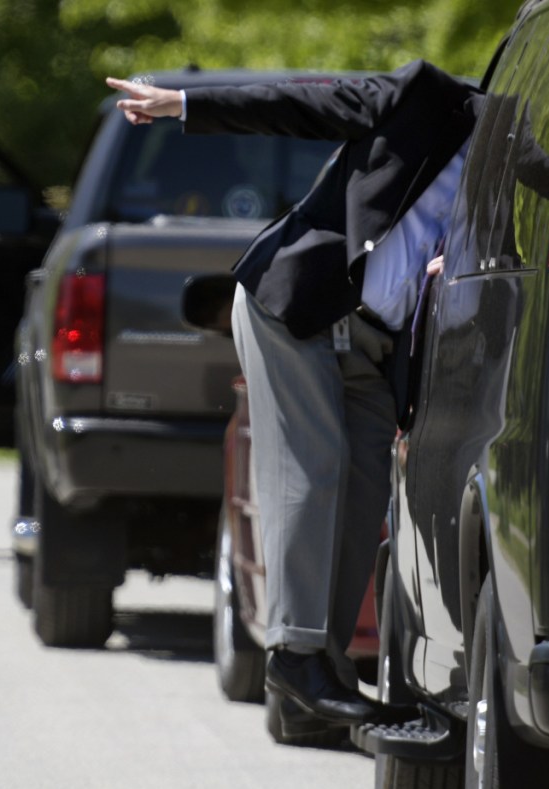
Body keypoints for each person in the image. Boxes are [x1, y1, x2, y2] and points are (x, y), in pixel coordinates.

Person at [107, 61, 478, 731]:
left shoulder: (530, 177)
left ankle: (322, 668)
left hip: (376, 349)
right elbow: (303, 98)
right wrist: (186, 102)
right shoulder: (429, 99)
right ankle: (294, 652)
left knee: (362, 502)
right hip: (298, 309)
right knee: (314, 472)